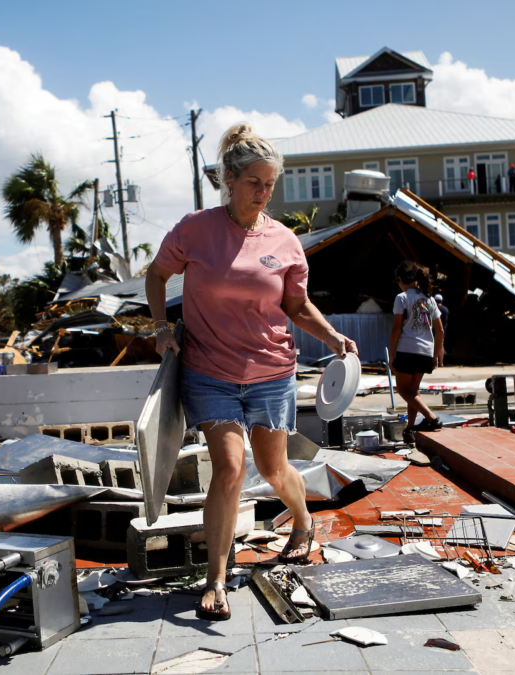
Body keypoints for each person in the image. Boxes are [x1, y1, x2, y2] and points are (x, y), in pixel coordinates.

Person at [146, 123, 358, 622]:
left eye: (269, 185)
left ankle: (303, 522)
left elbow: (297, 305)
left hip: (270, 371)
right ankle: (216, 581)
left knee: (272, 470)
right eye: (253, 183)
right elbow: (156, 275)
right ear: (230, 180)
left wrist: (331, 337)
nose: (262, 193)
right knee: (229, 467)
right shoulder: (195, 229)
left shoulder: (284, 241)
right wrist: (160, 327)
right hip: (209, 371)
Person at [389, 261, 445, 433]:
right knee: (413, 392)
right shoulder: (429, 299)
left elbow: (397, 328)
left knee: (403, 390)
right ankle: (411, 428)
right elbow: (440, 330)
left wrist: (391, 355)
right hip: (425, 352)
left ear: (400, 279)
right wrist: (435, 354)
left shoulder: (402, 298)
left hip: (407, 349)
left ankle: (431, 418)